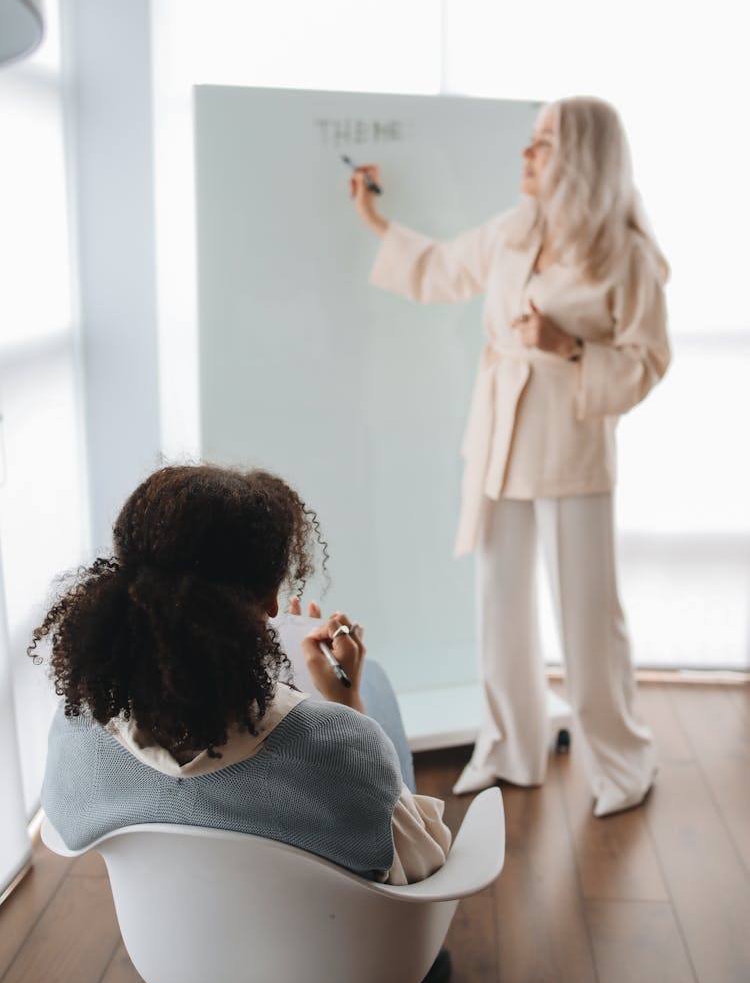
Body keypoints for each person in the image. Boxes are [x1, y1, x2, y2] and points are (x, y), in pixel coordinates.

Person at [349, 95, 670, 816]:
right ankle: (511, 747)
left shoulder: (626, 254)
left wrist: (572, 346)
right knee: (499, 602)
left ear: (583, 156)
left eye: (544, 143)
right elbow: (442, 267)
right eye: (529, 141)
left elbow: (649, 360)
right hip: (499, 437)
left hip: (572, 447)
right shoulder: (516, 230)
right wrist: (373, 218)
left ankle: (623, 762)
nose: (527, 154)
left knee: (588, 613)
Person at [30, 465, 451, 894]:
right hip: (334, 955)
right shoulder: (343, 747)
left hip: (168, 953)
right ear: (271, 602)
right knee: (374, 680)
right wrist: (345, 705)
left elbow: (65, 828)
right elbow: (422, 864)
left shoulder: (77, 726)